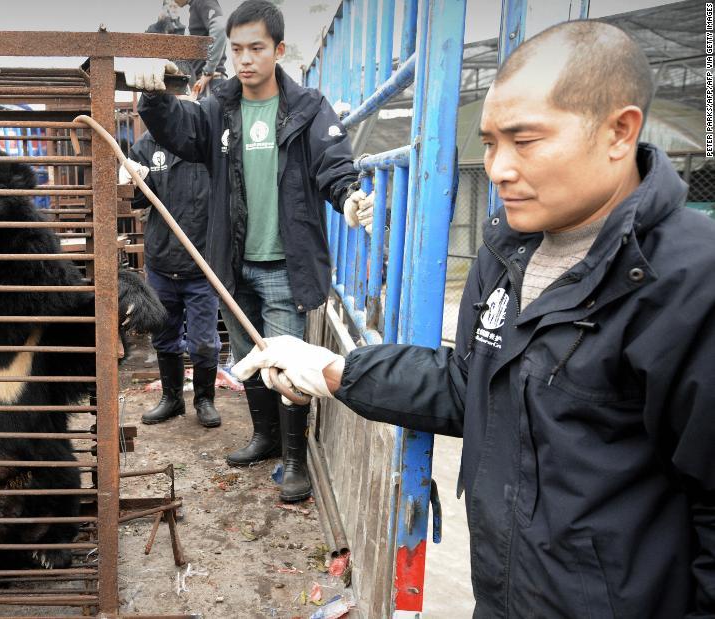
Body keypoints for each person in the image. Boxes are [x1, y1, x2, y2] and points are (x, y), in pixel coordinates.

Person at [231, 21, 715, 616]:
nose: (498, 168)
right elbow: (469, 385)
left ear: (620, 131)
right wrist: (333, 369)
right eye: (488, 143)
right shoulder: (507, 250)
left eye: (525, 141)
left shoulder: (689, 282)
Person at [125, 0, 360, 503]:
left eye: (256, 48)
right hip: (234, 263)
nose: (246, 59)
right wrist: (154, 97)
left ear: (278, 49)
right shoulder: (218, 109)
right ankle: (264, 437)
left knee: (289, 365)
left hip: (283, 264)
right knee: (253, 358)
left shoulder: (307, 108)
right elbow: (179, 131)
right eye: (236, 50)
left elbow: (332, 163)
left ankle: (295, 461)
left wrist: (348, 196)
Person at [123, 116, 222, 429]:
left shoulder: (208, 141)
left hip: (202, 264)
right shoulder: (149, 144)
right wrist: (129, 179)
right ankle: (172, 398)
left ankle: (205, 399)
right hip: (162, 261)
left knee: (204, 341)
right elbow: (136, 198)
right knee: (164, 335)